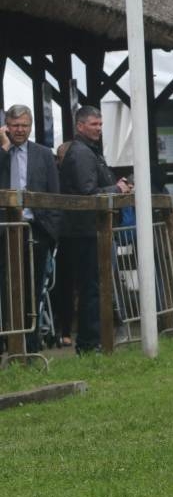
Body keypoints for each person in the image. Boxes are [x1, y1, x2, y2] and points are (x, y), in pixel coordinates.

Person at [58, 105, 133, 354]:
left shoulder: (89, 151)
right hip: (87, 231)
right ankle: (90, 343)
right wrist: (117, 190)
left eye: (100, 124)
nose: (99, 129)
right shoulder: (81, 153)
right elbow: (86, 194)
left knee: (97, 287)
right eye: (94, 124)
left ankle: (95, 340)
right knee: (93, 288)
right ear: (80, 126)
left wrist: (114, 184)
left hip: (92, 230)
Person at [0, 105, 62, 353]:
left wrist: (51, 232)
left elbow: (54, 193)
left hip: (35, 228)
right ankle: (8, 339)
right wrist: (4, 147)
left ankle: (31, 342)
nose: (20, 130)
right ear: (6, 126)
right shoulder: (2, 150)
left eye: (24, 125)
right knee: (5, 286)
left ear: (31, 126)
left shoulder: (43, 154)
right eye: (15, 125)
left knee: (33, 287)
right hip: (4, 228)